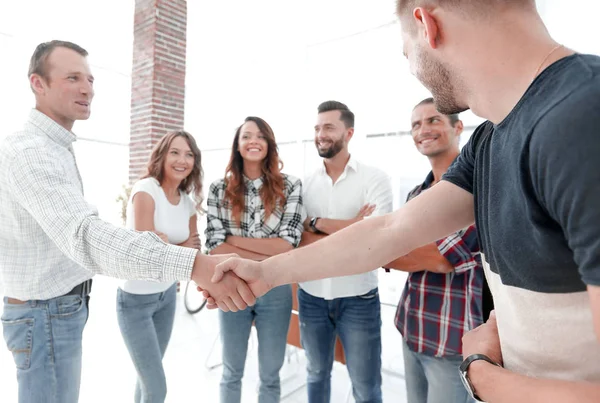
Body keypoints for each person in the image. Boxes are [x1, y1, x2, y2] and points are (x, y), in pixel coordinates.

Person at [209, 1, 600, 401]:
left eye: (405, 52)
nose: (413, 70)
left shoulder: (583, 114)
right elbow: (390, 231)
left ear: (426, 24)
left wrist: (482, 375)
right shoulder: (489, 141)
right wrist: (268, 274)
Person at [0, 40, 254, 403]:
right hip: (45, 312)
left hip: (64, 307)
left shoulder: (56, 147)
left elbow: (186, 238)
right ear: (37, 83)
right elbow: (85, 235)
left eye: (90, 79)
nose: (88, 88)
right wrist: (192, 263)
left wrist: (185, 255)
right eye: (73, 77)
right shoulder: (30, 152)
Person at [386, 97, 483, 403]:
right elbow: (405, 251)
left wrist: (381, 250)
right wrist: (397, 249)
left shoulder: (477, 189)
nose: (423, 129)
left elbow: (440, 259)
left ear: (458, 127)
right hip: (411, 327)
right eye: (416, 124)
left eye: (433, 120)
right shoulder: (416, 194)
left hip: (451, 342)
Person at [205, 116, 304, 403]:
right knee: (231, 371)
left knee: (271, 376)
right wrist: (262, 250)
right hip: (229, 288)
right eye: (247, 136)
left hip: (275, 291)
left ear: (269, 144)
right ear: (237, 145)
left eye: (261, 136)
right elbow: (213, 248)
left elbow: (287, 246)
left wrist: (232, 242)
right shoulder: (217, 189)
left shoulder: (290, 186)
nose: (254, 141)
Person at [298, 100, 392, 403]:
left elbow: (376, 236)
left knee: (365, 386)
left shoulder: (374, 178)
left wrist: (318, 223)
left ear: (348, 133)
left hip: (359, 299)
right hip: (310, 297)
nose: (320, 134)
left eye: (328, 127)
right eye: (316, 128)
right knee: (315, 375)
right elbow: (296, 238)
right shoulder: (303, 184)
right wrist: (354, 225)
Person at [117, 130, 203, 403]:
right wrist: (176, 249)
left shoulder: (187, 203)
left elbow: (192, 254)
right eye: (175, 152)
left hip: (167, 296)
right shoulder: (146, 190)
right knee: (157, 388)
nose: (182, 160)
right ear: (162, 155)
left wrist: (166, 247)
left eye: (189, 154)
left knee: (146, 383)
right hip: (135, 302)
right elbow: (145, 255)